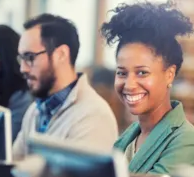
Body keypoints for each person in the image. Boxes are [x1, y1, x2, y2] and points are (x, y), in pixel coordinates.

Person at [100, 0, 194, 174]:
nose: (129, 84)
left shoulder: (187, 141)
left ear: (169, 74)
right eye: (122, 73)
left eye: (142, 73)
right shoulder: (132, 134)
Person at [13, 13, 118, 160]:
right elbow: (13, 164)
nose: (23, 69)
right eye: (21, 59)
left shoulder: (92, 117)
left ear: (61, 54)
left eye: (30, 58)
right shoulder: (36, 110)